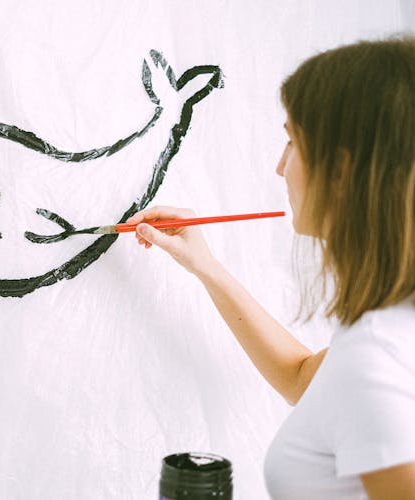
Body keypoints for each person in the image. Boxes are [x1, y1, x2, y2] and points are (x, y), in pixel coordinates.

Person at [128, 36, 415, 499]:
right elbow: (303, 378)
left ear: (342, 171)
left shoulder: (377, 357)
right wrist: (207, 267)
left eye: (292, 142)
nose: (280, 166)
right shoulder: (393, 331)